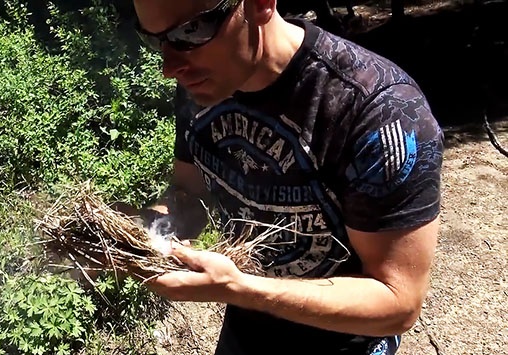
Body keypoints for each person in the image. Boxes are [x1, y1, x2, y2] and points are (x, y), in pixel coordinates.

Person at [129, 0, 444, 354]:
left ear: (260, 4)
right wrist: (137, 232)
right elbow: (189, 193)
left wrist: (239, 288)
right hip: (246, 331)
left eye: (190, 31)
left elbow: (397, 303)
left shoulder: (377, 111)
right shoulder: (202, 81)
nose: (169, 68)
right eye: (156, 41)